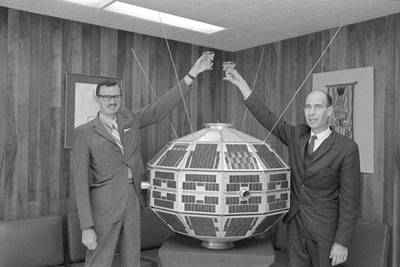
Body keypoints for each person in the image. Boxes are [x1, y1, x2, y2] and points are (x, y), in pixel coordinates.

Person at [72, 54, 213, 267]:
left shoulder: (131, 119)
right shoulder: (84, 133)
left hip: (133, 200)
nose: (112, 101)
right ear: (98, 98)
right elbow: (80, 184)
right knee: (98, 261)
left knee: (132, 261)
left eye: (116, 97)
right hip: (103, 206)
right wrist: (86, 226)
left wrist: (191, 75)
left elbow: (160, 107)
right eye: (107, 97)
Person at [224, 68, 361, 267]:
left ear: (329, 112)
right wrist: (242, 85)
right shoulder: (297, 135)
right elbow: (268, 118)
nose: (311, 113)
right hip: (296, 227)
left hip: (325, 232)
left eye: (317, 107)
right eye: (307, 107)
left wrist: (342, 242)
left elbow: (350, 202)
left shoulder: (346, 148)